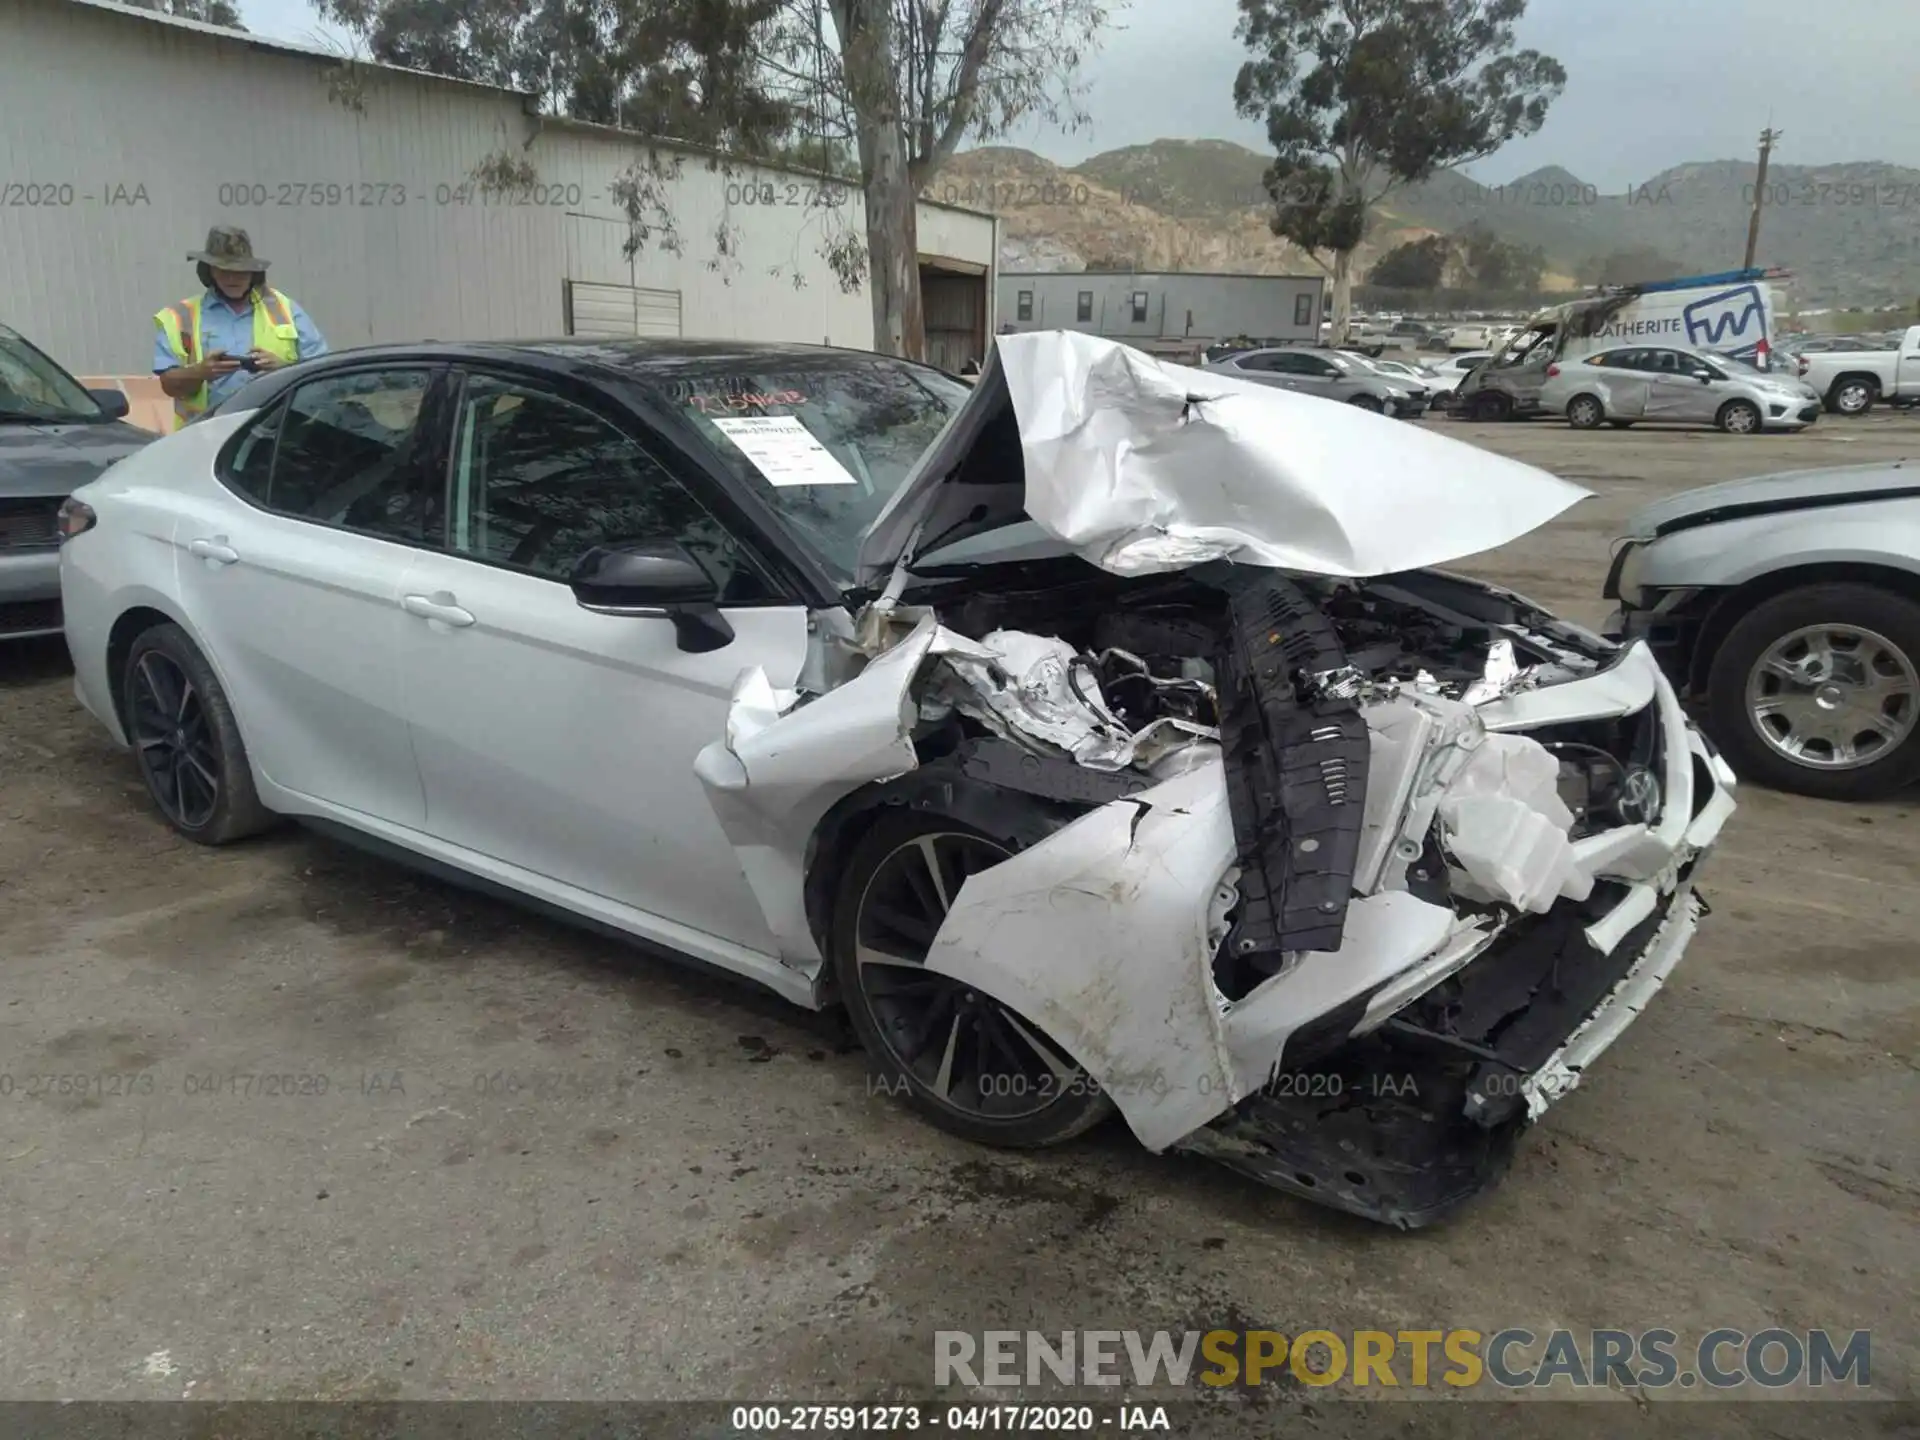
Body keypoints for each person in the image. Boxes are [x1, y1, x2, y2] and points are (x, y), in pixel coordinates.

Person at [154, 226, 328, 430]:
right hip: (204, 438)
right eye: (223, 270)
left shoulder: (286, 309)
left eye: (240, 271)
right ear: (208, 271)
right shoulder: (179, 317)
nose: (232, 279)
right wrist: (200, 371)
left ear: (253, 272)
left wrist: (283, 369)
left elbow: (322, 375)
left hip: (274, 435)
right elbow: (168, 385)